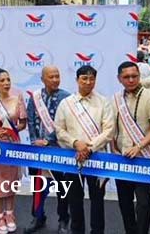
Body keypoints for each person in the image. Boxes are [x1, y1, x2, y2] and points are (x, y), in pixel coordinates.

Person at [55, 65, 114, 234]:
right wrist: (75, 143)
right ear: (77, 80)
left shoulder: (103, 102)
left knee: (97, 199)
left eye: (92, 79)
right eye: (84, 79)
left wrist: (89, 147)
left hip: (97, 158)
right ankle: (77, 230)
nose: (88, 82)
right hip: (73, 157)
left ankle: (97, 231)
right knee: (74, 199)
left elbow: (109, 130)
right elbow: (59, 129)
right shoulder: (66, 103)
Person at [112, 61, 150, 234]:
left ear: (139, 76)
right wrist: (113, 148)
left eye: (134, 76)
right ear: (119, 79)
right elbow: (112, 127)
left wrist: (139, 147)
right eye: (126, 77)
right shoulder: (115, 99)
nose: (131, 80)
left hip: (143, 159)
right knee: (124, 203)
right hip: (121, 159)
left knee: (143, 204)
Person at [24, 66, 71, 234]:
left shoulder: (67, 98)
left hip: (58, 151)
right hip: (38, 151)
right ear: (43, 79)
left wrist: (49, 141)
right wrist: (35, 140)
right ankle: (38, 216)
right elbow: (30, 121)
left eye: (57, 76)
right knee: (38, 187)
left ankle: (64, 219)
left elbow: (65, 125)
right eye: (51, 77)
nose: (55, 80)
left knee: (62, 188)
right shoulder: (35, 97)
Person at [0, 68, 27, 234]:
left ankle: (10, 215)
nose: (6, 83)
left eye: (8, 79)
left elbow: (23, 123)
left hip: (13, 145)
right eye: (2, 80)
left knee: (11, 182)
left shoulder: (18, 99)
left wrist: (14, 130)